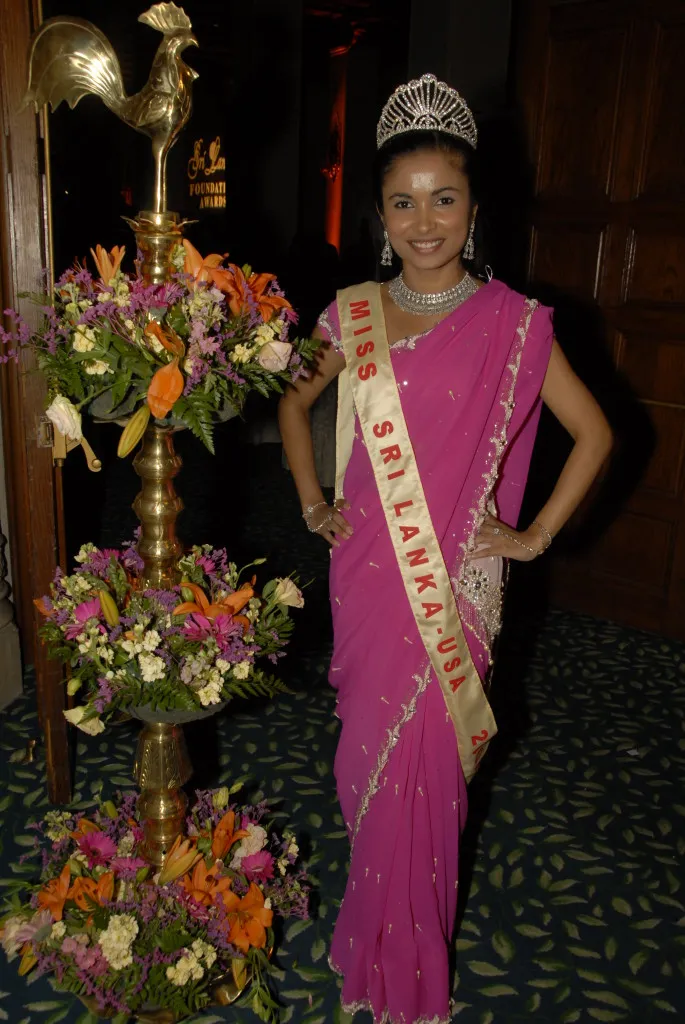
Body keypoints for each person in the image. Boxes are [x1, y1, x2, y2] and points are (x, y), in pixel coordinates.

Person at [278, 73, 612, 1024]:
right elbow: (294, 403)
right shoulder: (351, 313)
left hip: (451, 587)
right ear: (380, 214)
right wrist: (311, 501)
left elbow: (594, 434)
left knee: (424, 779)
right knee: (363, 767)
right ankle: (370, 941)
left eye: (443, 199)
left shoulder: (514, 323)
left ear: (472, 206)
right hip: (366, 576)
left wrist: (533, 536)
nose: (423, 222)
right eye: (402, 202)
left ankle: (410, 972)